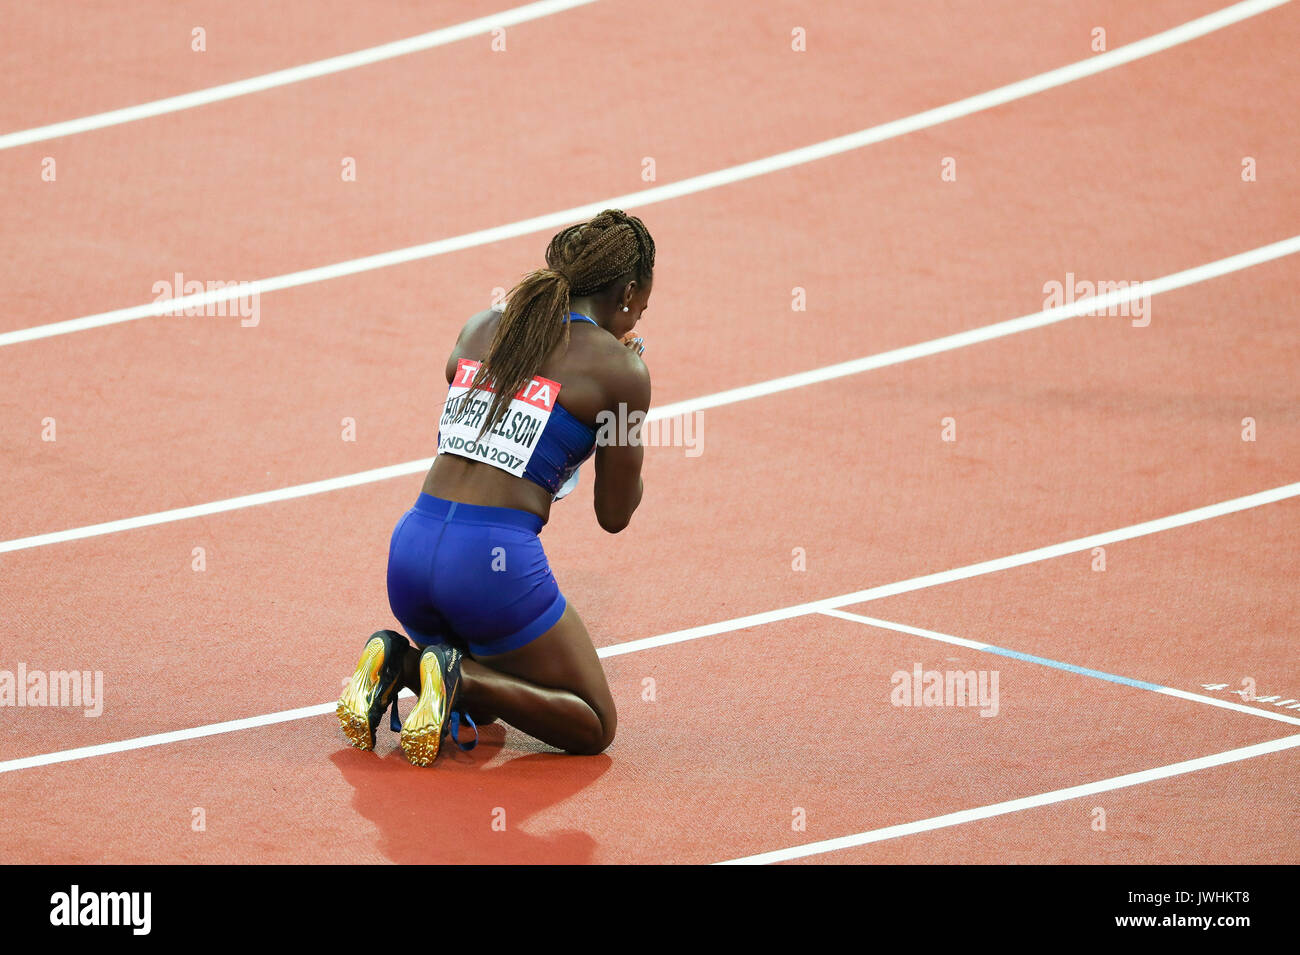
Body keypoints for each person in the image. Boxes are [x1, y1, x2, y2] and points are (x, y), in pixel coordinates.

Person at [337, 209, 654, 766]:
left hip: (412, 548)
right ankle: (440, 671)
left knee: (481, 707)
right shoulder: (619, 371)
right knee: (593, 722)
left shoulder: (479, 328)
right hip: (489, 563)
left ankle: (404, 661)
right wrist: (626, 406)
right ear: (628, 295)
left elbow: (488, 403)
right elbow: (615, 512)